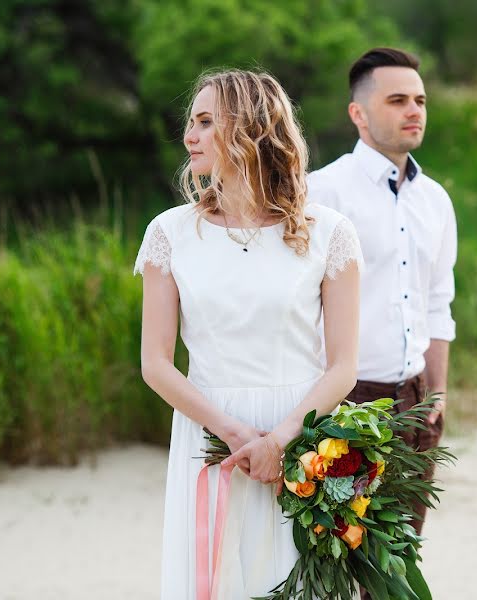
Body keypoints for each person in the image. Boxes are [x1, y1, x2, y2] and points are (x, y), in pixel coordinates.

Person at [135, 69, 363, 599]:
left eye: (207, 122)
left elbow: (344, 366)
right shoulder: (169, 233)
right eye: (191, 122)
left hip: (302, 437)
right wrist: (236, 435)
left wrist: (280, 439)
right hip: (210, 435)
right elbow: (155, 363)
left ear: (252, 129)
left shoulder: (328, 232)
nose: (190, 136)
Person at [307, 48, 457, 537]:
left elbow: (438, 303)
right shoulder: (320, 194)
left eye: (420, 99)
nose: (414, 110)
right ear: (359, 113)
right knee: (336, 557)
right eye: (397, 100)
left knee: (398, 563)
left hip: (415, 405)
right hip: (345, 406)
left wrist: (436, 396)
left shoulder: (435, 201)